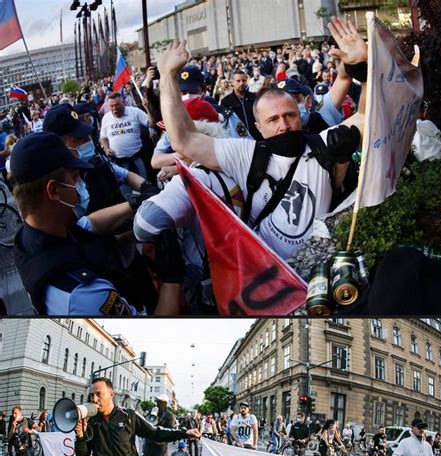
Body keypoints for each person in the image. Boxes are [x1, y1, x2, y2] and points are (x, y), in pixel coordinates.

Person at [156, 25, 366, 264]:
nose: (284, 125)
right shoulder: (245, 154)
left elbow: (367, 117)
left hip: (320, 272)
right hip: (267, 277)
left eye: (289, 115)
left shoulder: (322, 145)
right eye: (273, 119)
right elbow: (183, 140)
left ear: (299, 115)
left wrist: (365, 69)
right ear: (258, 127)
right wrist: (167, 77)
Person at [10, 133, 159, 316]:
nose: (80, 186)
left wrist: (135, 204)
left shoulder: (36, 232)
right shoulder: (84, 294)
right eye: (74, 178)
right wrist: (172, 278)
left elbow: (89, 224)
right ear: (54, 190)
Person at [99, 92, 152, 179]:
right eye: (111, 106)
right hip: (120, 162)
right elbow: (103, 137)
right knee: (125, 189)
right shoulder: (106, 118)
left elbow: (151, 124)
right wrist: (106, 148)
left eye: (117, 105)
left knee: (145, 183)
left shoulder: (134, 112)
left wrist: (148, 108)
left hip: (138, 157)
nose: (114, 108)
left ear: (122, 103)